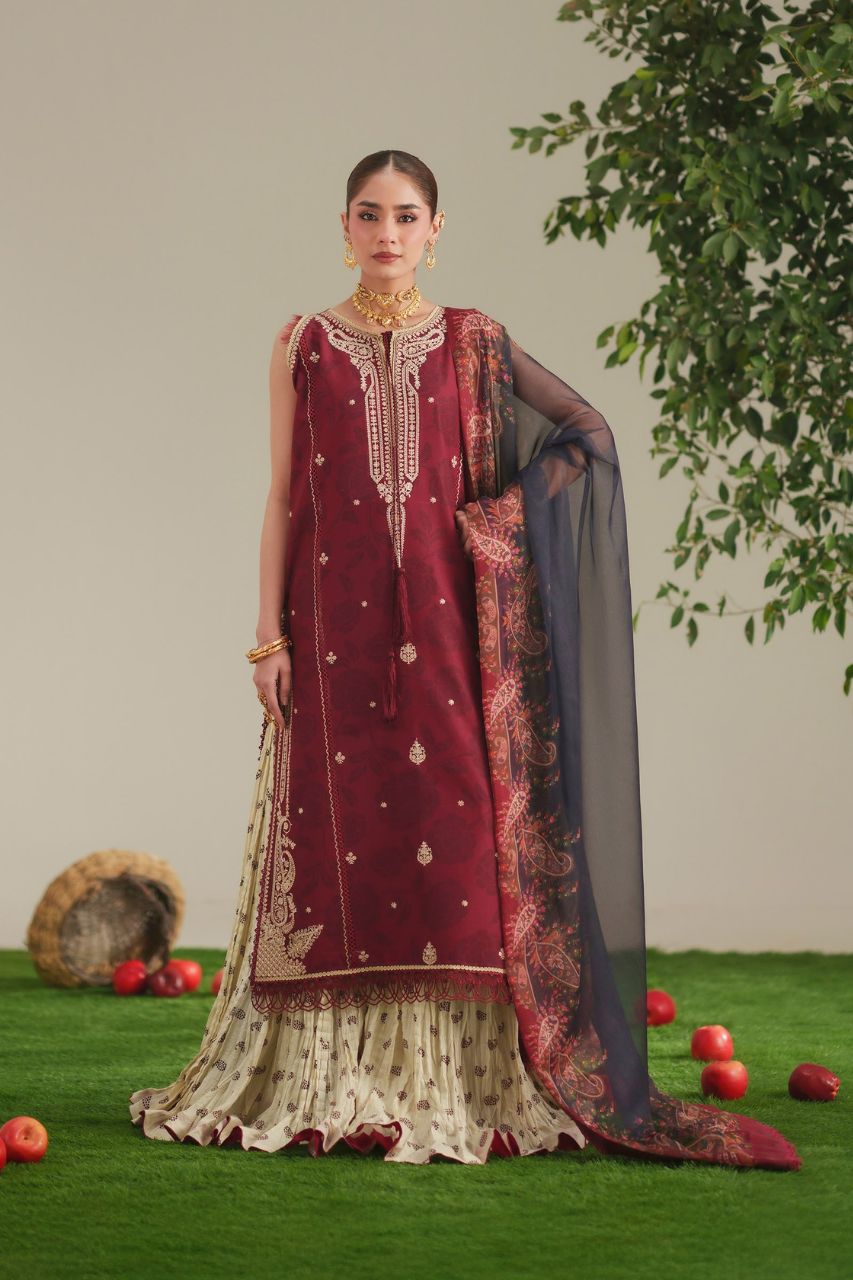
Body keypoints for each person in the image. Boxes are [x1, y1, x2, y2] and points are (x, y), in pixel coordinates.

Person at [129, 149, 801, 1171]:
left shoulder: (473, 341)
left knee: (455, 834)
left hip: (453, 633)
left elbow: (585, 432)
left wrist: (498, 522)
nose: (387, 233)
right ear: (343, 226)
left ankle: (463, 1082)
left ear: (435, 230)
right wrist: (268, 637)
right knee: (341, 836)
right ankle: (329, 1073)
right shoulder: (301, 344)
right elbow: (283, 497)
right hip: (334, 637)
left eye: (406, 215)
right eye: (369, 214)